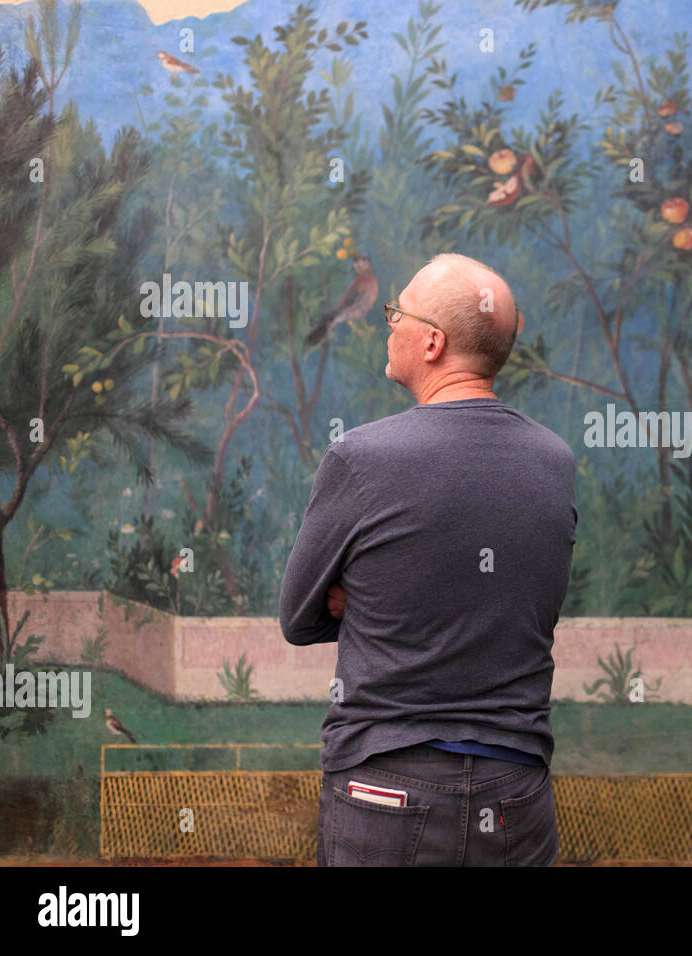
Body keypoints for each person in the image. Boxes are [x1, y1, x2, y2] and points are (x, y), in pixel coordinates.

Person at [278, 252, 576, 866]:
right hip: (517, 793)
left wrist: (364, 598)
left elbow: (299, 618)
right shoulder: (555, 462)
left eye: (398, 314)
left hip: (384, 791)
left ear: (433, 342)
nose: (388, 324)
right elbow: (512, 599)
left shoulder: (362, 459)